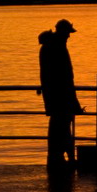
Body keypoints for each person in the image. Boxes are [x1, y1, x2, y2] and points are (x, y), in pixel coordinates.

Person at [38, 19, 83, 170]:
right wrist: (74, 101)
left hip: (53, 95)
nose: (69, 36)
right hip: (61, 96)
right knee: (62, 126)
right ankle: (63, 158)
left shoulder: (48, 46)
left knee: (58, 127)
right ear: (63, 32)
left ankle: (59, 157)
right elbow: (65, 78)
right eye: (68, 33)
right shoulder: (57, 47)